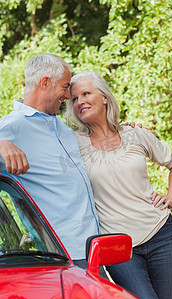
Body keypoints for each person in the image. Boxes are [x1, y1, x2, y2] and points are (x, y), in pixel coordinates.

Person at [67, 71, 172, 299]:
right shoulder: (72, 143)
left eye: (86, 93)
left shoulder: (135, 134)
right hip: (118, 248)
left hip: (162, 235)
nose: (79, 101)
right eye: (74, 98)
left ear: (104, 97)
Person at [0, 53, 101, 270]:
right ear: (45, 82)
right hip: (63, 255)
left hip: (94, 248)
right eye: (65, 87)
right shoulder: (12, 127)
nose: (67, 95)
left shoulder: (63, 129)